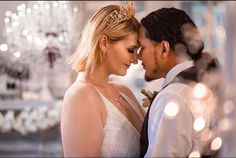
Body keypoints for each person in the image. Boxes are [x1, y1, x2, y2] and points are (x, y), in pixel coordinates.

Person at [60, 2, 145, 157]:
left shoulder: (124, 91)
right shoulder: (81, 95)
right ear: (104, 43)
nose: (135, 59)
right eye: (131, 50)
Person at [138, 8, 221, 157]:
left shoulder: (173, 95)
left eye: (142, 48)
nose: (138, 57)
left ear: (164, 48)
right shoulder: (206, 81)